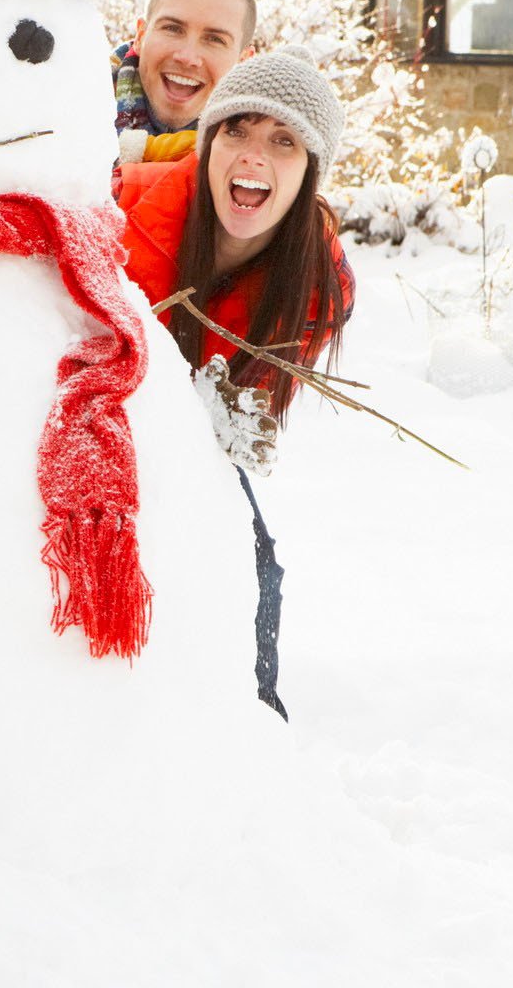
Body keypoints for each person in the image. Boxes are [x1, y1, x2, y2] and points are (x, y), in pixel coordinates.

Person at [114, 47, 356, 719]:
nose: (254, 154)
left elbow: (245, 421)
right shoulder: (122, 211)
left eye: (284, 140)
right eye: (238, 129)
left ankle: (249, 731)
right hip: (89, 429)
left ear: (310, 170)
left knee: (254, 570)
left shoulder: (318, 285)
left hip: (191, 443)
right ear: (210, 141)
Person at [113, 0, 258, 166]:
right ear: (141, 36)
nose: (188, 57)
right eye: (172, 28)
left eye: (215, 39)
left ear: (244, 63)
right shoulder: (67, 117)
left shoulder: (255, 165)